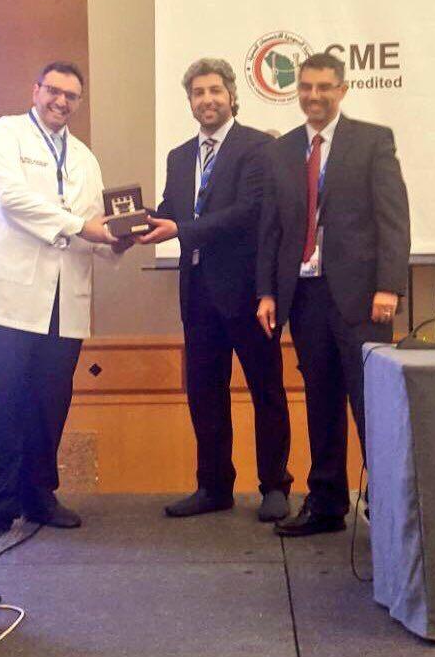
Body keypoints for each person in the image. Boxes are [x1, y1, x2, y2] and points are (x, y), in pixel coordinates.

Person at [0, 61, 132, 542]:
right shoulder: (6, 135)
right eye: (53, 91)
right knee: (1, 400)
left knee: (49, 402)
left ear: (79, 102)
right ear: (35, 90)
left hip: (64, 297)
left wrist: (118, 241)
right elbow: (10, 199)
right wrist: (82, 227)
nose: (61, 101)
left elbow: (95, 225)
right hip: (7, 293)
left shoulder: (84, 158)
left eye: (71, 96)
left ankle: (39, 495)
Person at [256, 52, 410, 536]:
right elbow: (271, 230)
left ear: (342, 90)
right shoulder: (281, 151)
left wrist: (388, 286)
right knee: (321, 402)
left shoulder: (372, 141)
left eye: (324, 87)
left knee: (371, 404)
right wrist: (267, 292)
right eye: (306, 87)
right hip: (304, 297)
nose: (314, 96)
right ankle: (325, 504)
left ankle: (387, 509)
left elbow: (393, 219)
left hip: (362, 299)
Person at [139, 58, 292, 522]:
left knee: (266, 389)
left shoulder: (259, 147)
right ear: (189, 101)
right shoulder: (179, 156)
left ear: (231, 96)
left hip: (250, 293)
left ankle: (275, 486)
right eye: (198, 93)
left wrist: (181, 230)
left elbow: (249, 211)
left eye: (214, 91)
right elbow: (172, 210)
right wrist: (134, 222)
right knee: (204, 391)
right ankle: (213, 486)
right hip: (198, 293)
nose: (206, 99)